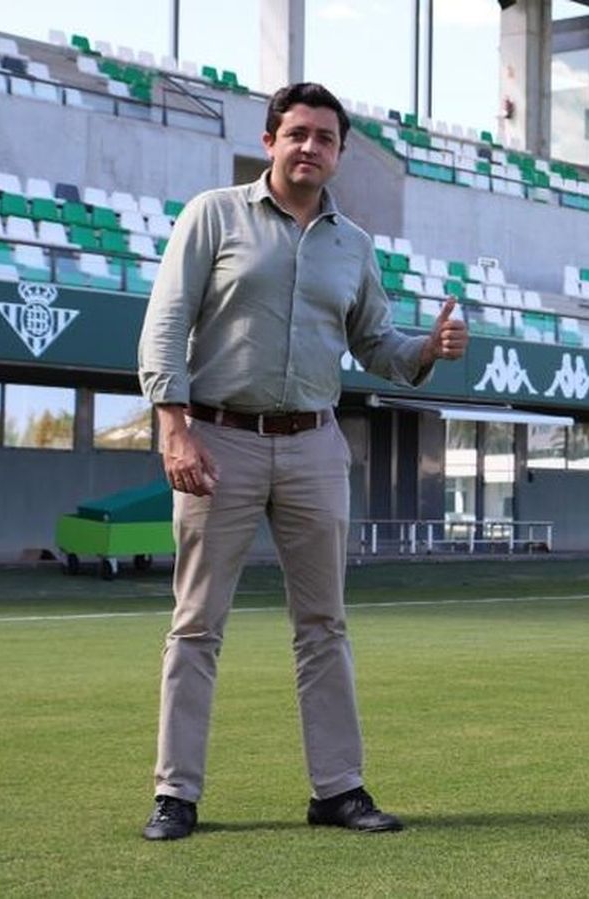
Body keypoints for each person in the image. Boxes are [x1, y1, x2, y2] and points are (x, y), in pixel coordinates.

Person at [137, 82, 469, 841]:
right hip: (218, 438)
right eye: (297, 133)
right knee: (196, 625)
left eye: (325, 137)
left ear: (340, 153)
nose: (310, 146)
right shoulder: (212, 214)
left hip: (317, 444)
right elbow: (165, 326)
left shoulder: (353, 244)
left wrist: (430, 349)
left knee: (324, 624)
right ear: (270, 140)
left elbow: (377, 343)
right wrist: (175, 426)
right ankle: (176, 794)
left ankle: (338, 791)